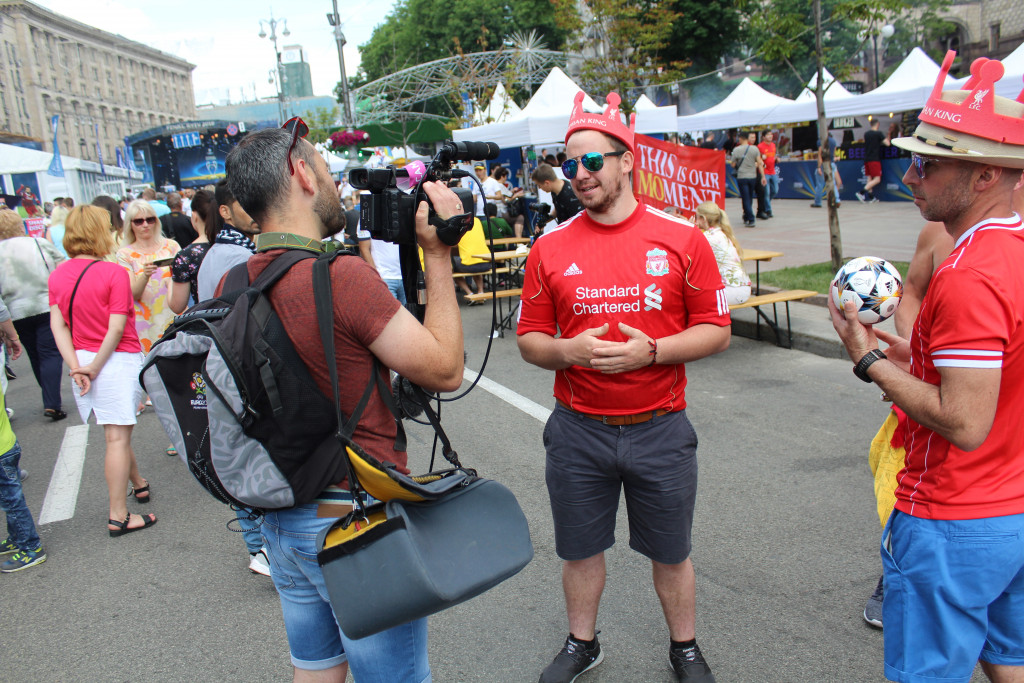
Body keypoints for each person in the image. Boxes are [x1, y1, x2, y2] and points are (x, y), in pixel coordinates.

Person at [223, 123, 464, 683]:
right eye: (327, 171)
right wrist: (439, 255)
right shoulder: (342, 277)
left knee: (316, 674)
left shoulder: (234, 283)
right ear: (302, 175)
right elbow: (445, 368)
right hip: (355, 522)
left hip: (280, 522)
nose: (334, 185)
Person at [519, 91, 730, 683]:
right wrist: (567, 351)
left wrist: (653, 351)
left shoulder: (684, 238)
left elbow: (717, 330)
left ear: (627, 159)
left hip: (660, 428)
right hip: (577, 430)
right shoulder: (550, 245)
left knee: (671, 552)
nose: (579, 176)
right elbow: (531, 339)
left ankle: (684, 647)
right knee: (579, 549)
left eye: (592, 162)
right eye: (570, 165)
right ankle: (582, 642)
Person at [829, 56, 1024, 683]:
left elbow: (963, 422)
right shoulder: (1012, 250)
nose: (909, 175)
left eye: (928, 162)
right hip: (1012, 508)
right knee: (1009, 657)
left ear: (987, 174)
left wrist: (867, 361)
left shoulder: (969, 275)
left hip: (955, 517)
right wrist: (915, 356)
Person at [49, 205, 157, 538]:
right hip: (115, 360)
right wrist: (94, 366)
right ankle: (118, 516)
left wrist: (77, 367)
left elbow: (58, 325)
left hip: (82, 358)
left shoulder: (58, 275)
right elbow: (116, 327)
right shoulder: (113, 273)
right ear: (101, 232)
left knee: (115, 428)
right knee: (117, 435)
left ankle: (138, 483)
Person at [192, 179, 268, 576]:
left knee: (242, 451)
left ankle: (260, 545)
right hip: (234, 366)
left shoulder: (218, 251)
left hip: (223, 364)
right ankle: (260, 547)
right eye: (244, 202)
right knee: (249, 451)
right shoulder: (235, 256)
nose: (254, 207)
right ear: (224, 210)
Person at [0, 208, 68, 420]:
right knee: (50, 352)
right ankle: (52, 401)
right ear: (19, 225)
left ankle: (49, 396)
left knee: (35, 354)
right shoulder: (37, 243)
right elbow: (61, 266)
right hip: (45, 304)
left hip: (15, 311)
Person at [0, 298, 46, 572]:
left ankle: (31, 546)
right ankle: (17, 538)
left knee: (12, 499)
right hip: (8, 445)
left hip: (1, 450)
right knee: (9, 497)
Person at [116, 200, 179, 355]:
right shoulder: (125, 254)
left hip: (173, 316)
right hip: (145, 323)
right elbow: (132, 294)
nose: (145, 225)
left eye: (150, 219)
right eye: (139, 221)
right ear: (130, 224)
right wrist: (145, 276)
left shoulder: (172, 246)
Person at [169, 189, 216, 314]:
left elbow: (177, 306)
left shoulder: (185, 256)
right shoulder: (233, 243)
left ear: (194, 216)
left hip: (205, 320)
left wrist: (169, 281)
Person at [695, 201, 751, 306]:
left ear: (703, 219)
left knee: (691, 299)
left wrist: (690, 229)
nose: (695, 220)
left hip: (731, 292)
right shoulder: (721, 233)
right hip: (742, 289)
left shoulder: (708, 237)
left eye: (696, 216)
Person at [730, 132, 765, 227]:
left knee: (745, 198)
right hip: (752, 176)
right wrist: (763, 176)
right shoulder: (754, 149)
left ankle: (750, 218)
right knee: (749, 197)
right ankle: (746, 216)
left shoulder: (736, 150)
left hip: (742, 177)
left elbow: (732, 164)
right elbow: (760, 163)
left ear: (741, 138)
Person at [857, 119, 890, 202]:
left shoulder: (866, 134)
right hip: (874, 159)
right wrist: (888, 134)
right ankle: (861, 192)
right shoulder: (878, 134)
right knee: (877, 179)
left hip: (867, 158)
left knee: (869, 178)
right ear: (878, 124)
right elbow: (888, 143)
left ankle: (871, 197)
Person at [811, 132, 842, 208]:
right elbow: (833, 155)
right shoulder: (834, 141)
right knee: (832, 183)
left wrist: (819, 167)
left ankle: (818, 202)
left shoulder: (820, 141)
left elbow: (820, 154)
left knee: (819, 184)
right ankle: (837, 200)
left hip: (823, 164)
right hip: (831, 163)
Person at [758, 131, 779, 218]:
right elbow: (758, 159)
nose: (770, 136)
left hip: (772, 171)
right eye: (768, 135)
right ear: (763, 137)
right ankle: (768, 210)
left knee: (775, 190)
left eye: (771, 134)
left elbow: (773, 156)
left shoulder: (773, 145)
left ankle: (766, 203)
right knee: (766, 192)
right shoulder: (760, 146)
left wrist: (776, 159)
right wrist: (762, 158)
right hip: (765, 171)